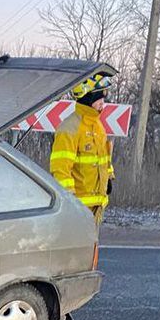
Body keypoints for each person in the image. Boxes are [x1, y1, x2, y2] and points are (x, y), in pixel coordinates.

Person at [50, 73, 115, 226]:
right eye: (99, 97)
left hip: (97, 207)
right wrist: (70, 202)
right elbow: (60, 170)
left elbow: (104, 158)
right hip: (78, 210)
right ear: (88, 97)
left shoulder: (98, 126)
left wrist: (109, 177)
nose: (103, 102)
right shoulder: (69, 128)